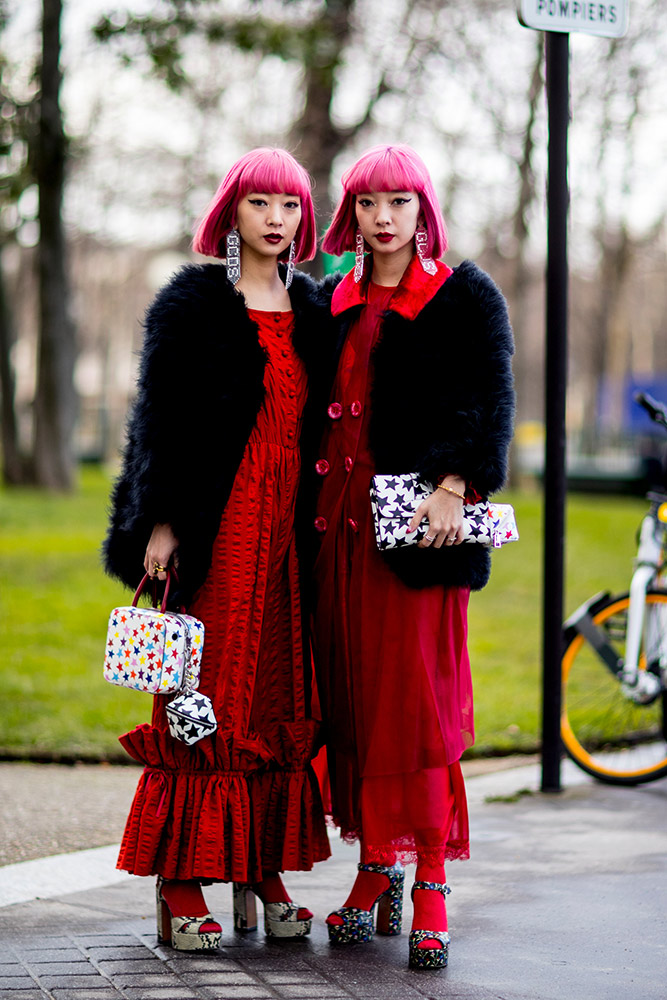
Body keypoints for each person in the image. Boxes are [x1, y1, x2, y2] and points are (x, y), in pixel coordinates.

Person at [104, 148, 334, 951]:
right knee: (206, 688)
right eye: (260, 203)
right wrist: (159, 519)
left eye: (291, 206)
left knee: (276, 690)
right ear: (230, 213)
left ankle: (259, 869)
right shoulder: (194, 303)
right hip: (220, 522)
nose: (276, 219)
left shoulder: (311, 306)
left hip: (288, 534)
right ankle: (181, 882)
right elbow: (156, 420)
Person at [312, 144, 515, 969]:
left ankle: (428, 877)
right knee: (357, 704)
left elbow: (490, 398)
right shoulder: (334, 298)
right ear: (350, 214)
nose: (383, 216)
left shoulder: (463, 296)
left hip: (421, 535)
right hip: (338, 538)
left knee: (416, 707)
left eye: (398, 200)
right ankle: (372, 871)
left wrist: (454, 482)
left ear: (421, 209)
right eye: (366, 202)